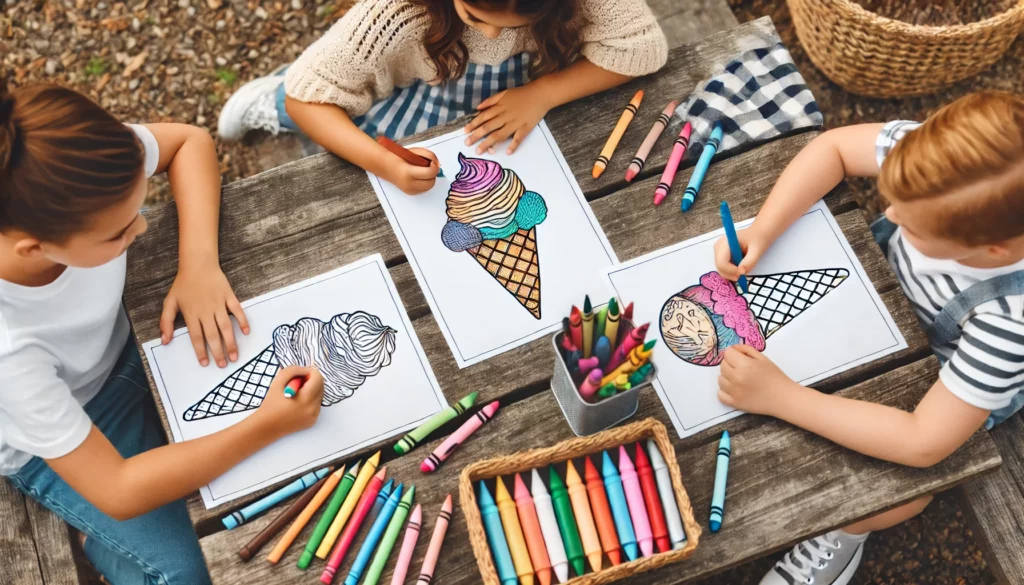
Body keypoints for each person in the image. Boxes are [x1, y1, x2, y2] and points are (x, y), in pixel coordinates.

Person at [0, 84, 326, 585]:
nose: (141, 230)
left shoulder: (67, 159)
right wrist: (268, 424)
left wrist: (198, 264)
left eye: (138, 209)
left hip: (134, 337)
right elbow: (118, 489)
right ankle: (98, 542)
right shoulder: (9, 352)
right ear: (32, 248)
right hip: (72, 430)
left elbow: (188, 142)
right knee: (192, 570)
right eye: (117, 232)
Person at [714, 91, 1024, 585]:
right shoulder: (940, 165)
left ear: (992, 248)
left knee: (911, 488)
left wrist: (784, 398)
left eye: (914, 223)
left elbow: (924, 442)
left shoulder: (1009, 322)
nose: (894, 213)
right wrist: (765, 230)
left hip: (936, 382)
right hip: (870, 302)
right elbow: (834, 149)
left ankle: (846, 532)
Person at [217, 0, 668, 194]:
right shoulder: (397, 12)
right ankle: (269, 97)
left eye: (512, 26)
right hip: (410, 90)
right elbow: (310, 99)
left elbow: (643, 48)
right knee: (314, 92)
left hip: (497, 98)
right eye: (473, 14)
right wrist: (383, 162)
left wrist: (543, 93)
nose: (490, 36)